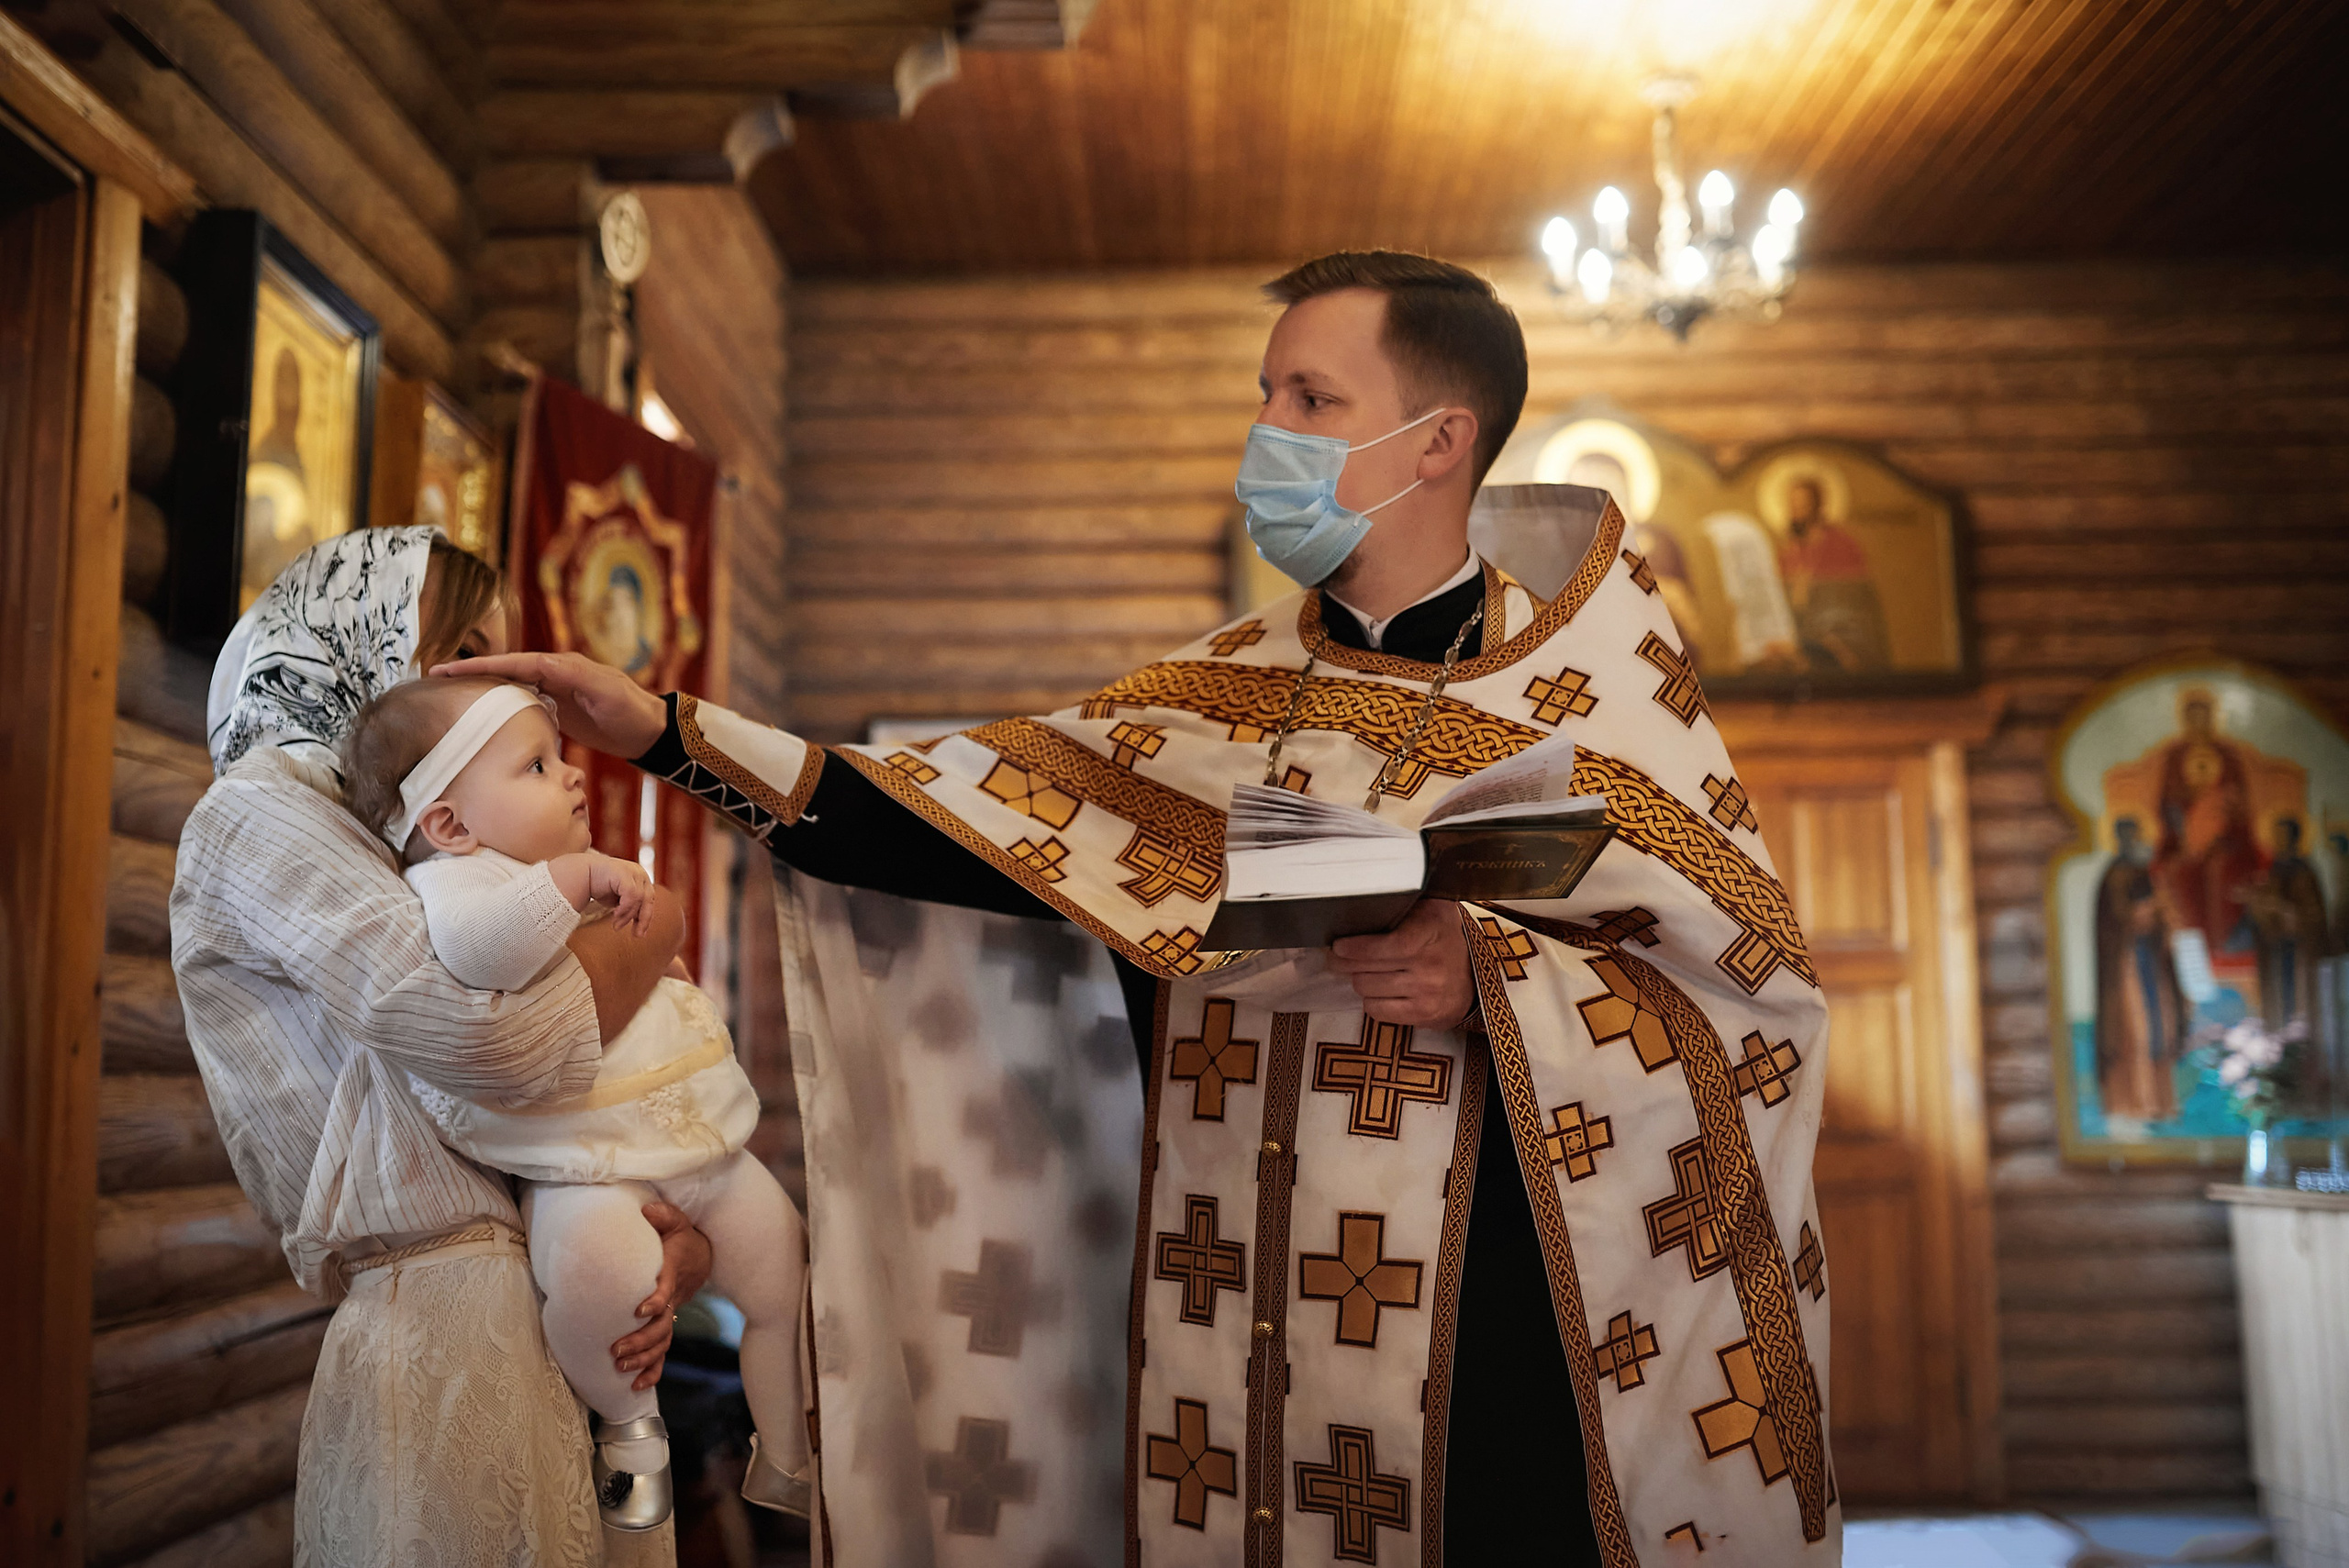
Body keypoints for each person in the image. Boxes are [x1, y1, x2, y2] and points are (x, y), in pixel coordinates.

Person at [463, 252, 1837, 1564]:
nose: (1267, 430)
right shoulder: (1206, 699)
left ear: (1438, 440)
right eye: (1264, 393)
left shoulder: (1605, 699)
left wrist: (1496, 976)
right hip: (1234, 1330)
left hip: (1501, 1347)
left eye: (1311, 400)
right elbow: (955, 824)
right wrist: (666, 733)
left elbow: (1754, 1005)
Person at [172, 527, 713, 1564]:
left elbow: (565, 1090)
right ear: (360, 632)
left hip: (551, 1309)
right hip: (448, 1329)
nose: (489, 683)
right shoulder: (256, 815)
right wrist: (661, 928)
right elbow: (496, 1043)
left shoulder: (419, 851)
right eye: (460, 645)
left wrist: (664, 1230)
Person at [339, 675, 812, 1528]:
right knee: (607, 1282)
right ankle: (632, 1434)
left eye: (558, 758)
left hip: (693, 1142)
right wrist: (578, 875)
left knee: (783, 1263)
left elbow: (629, 963)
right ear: (449, 825)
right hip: (585, 1165)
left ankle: (787, 1454)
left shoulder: (551, 881)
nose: (570, 776)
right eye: (534, 765)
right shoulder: (461, 885)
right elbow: (486, 951)